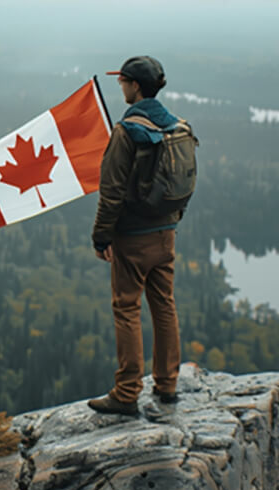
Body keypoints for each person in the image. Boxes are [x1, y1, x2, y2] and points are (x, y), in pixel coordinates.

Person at [87, 55, 183, 415]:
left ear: (136, 86)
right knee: (164, 305)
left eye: (123, 80)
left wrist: (102, 238)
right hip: (166, 233)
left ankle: (127, 392)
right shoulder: (176, 126)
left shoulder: (127, 132)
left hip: (134, 237)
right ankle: (168, 386)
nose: (120, 85)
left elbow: (110, 191)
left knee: (126, 307)